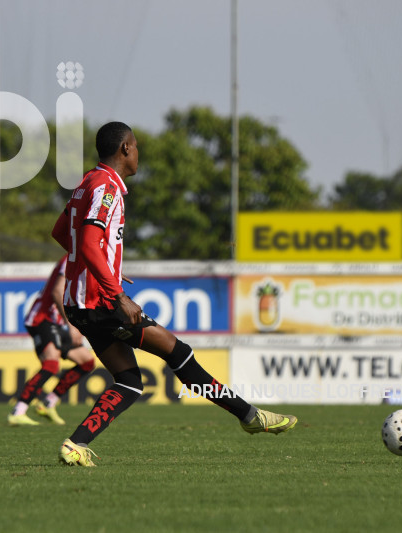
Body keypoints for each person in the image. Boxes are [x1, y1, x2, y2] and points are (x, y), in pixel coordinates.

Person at [51, 121, 297, 467]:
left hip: (78, 304)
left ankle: (75, 445)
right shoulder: (107, 187)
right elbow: (88, 242)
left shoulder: (86, 183)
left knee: (128, 382)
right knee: (180, 355)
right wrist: (116, 291)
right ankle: (249, 416)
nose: (138, 155)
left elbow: (62, 232)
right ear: (125, 149)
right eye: (136, 147)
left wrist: (104, 263)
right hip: (102, 302)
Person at [8, 253, 96, 426]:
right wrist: (72, 326)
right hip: (42, 318)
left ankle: (48, 403)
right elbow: (57, 290)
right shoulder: (73, 256)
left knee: (86, 362)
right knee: (51, 365)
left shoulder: (88, 261)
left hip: (57, 322)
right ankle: (18, 411)